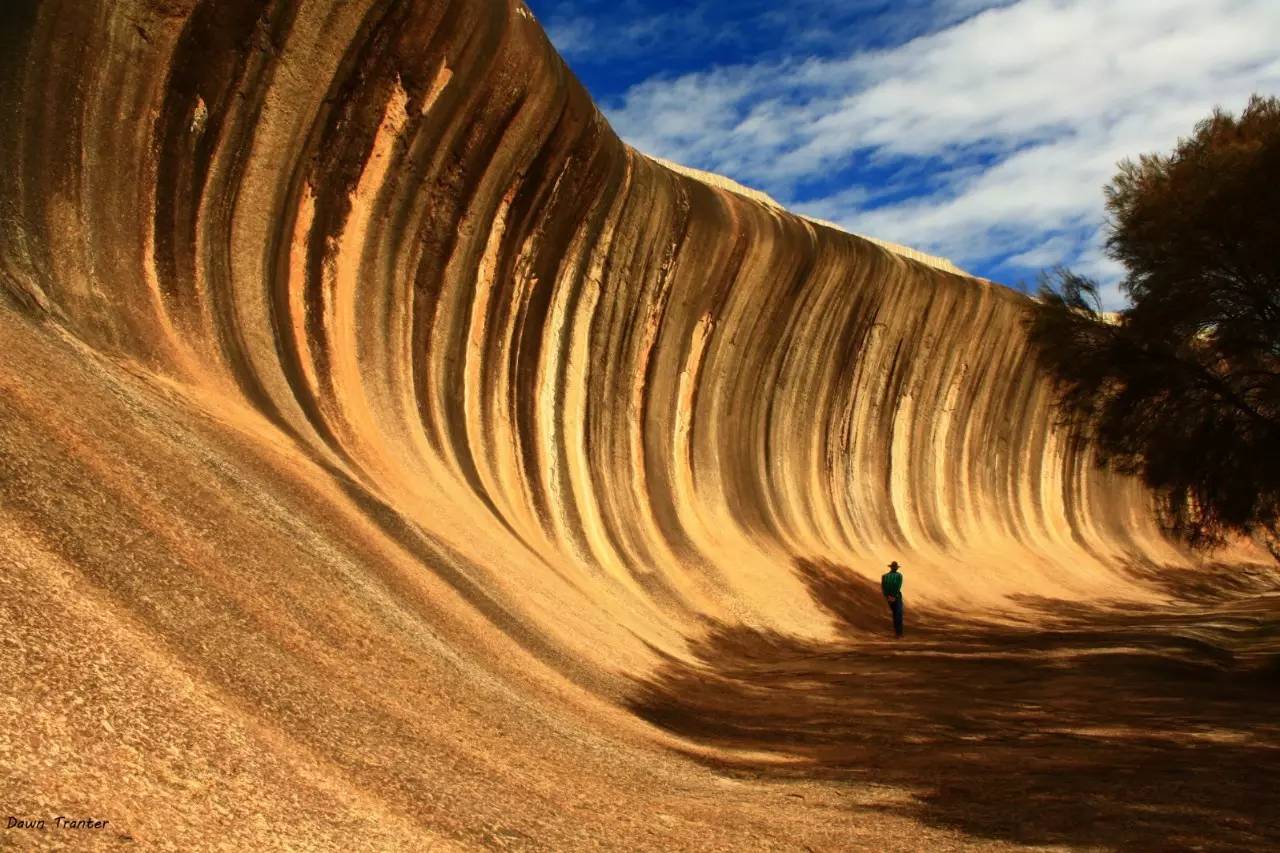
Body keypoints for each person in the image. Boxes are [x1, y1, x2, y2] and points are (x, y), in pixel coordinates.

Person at [881, 561, 904, 638]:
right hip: (897, 596)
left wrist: (888, 596)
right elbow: (898, 586)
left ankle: (896, 632)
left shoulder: (884, 576)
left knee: (895, 614)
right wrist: (894, 596)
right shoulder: (899, 576)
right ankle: (898, 633)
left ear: (890, 567)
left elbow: (883, 588)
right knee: (898, 614)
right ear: (896, 568)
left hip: (889, 598)